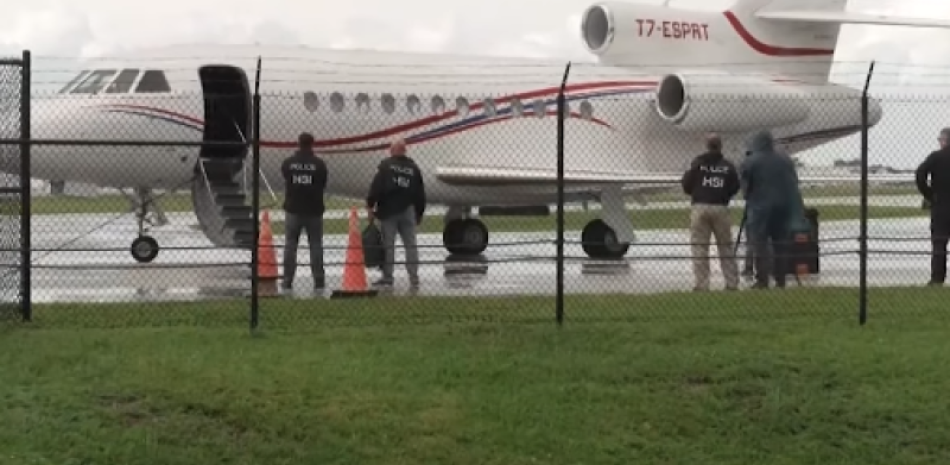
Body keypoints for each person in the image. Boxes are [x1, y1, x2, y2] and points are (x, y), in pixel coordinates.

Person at [740, 129, 807, 289]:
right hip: (783, 207)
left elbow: (745, 188)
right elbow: (793, 182)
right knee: (781, 243)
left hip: (760, 207)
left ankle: (762, 279)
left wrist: (750, 197)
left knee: (760, 243)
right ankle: (780, 278)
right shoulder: (785, 160)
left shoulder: (750, 161)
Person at [681, 133, 741, 291]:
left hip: (700, 206)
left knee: (700, 246)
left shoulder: (698, 164)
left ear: (707, 146)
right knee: (725, 246)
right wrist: (723, 194)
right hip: (720, 207)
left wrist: (698, 191)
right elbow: (735, 186)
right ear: (720, 146)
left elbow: (686, 184)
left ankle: (702, 284)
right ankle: (732, 282)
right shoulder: (727, 166)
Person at [366, 138, 426, 287]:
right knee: (410, 244)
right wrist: (419, 213)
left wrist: (370, 205)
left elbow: (376, 187)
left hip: (389, 210)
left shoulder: (386, 166)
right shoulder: (414, 169)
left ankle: (388, 276)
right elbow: (420, 194)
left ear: (392, 150)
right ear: (404, 151)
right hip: (408, 210)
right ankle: (413, 277)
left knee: (389, 245)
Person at [280, 132, 329, 290]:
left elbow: (286, 177)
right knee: (315, 245)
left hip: (293, 208)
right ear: (312, 144)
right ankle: (319, 279)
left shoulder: (288, 163)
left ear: (298, 143)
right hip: (314, 209)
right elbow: (323, 183)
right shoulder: (319, 165)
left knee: (290, 244)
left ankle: (287, 279)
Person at [914, 127, 950, 286]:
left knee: (939, 243)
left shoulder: (936, 157)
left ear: (944, 141)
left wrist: (929, 195)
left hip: (941, 205)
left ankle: (937, 278)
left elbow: (920, 174)